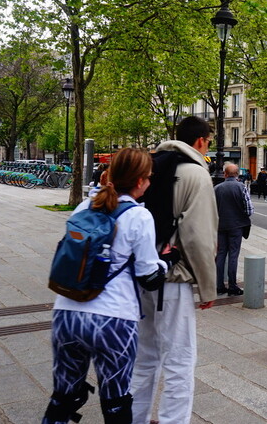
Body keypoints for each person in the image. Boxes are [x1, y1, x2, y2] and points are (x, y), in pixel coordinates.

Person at [42, 148, 167, 424]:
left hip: (67, 314)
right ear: (139, 181)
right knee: (116, 401)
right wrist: (166, 262)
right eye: (148, 177)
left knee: (63, 396)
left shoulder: (85, 206)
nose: (149, 182)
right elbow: (149, 276)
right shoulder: (139, 216)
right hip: (113, 320)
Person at [131, 116, 218, 424]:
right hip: (174, 278)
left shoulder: (151, 166)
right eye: (208, 142)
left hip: (143, 275)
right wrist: (208, 287)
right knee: (180, 358)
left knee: (145, 356)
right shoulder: (196, 174)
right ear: (200, 142)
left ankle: (134, 417)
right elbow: (199, 237)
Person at [214, 162, 253, 296]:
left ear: (225, 174)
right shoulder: (241, 187)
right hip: (236, 226)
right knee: (233, 255)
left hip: (220, 226)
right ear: (237, 175)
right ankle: (232, 285)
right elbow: (249, 210)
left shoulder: (217, 188)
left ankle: (219, 285)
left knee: (220, 254)